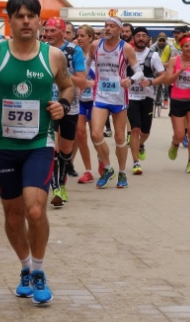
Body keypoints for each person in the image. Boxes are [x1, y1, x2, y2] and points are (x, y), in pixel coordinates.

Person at [0, 0, 74, 305]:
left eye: (31, 16)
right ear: (10, 21)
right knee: (13, 215)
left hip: (40, 142)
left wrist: (63, 105)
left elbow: (67, 86)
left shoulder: (53, 56)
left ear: (39, 20)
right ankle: (25, 267)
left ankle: (39, 271)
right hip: (4, 144)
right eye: (19, 16)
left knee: (35, 209)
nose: (26, 21)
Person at [87, 16, 142, 189]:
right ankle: (107, 167)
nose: (108, 28)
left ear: (119, 30)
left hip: (119, 97)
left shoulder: (126, 48)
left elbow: (139, 72)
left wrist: (131, 80)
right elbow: (86, 64)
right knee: (96, 134)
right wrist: (87, 79)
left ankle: (123, 172)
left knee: (119, 137)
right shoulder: (96, 45)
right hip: (100, 96)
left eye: (112, 26)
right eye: (106, 26)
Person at [43, 17, 85, 207]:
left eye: (53, 31)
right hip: (47, 104)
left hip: (69, 104)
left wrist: (61, 74)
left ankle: (62, 183)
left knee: (66, 150)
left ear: (62, 32)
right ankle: (56, 189)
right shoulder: (41, 49)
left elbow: (81, 79)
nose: (48, 34)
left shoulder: (74, 51)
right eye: (47, 31)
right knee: (53, 146)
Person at [126, 27, 166, 175]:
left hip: (147, 96)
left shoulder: (153, 56)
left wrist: (150, 82)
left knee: (145, 131)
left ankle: (141, 144)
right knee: (135, 129)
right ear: (133, 39)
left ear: (148, 39)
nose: (141, 38)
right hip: (131, 97)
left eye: (144, 36)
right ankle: (136, 162)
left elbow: (163, 75)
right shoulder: (127, 54)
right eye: (138, 36)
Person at [165, 33, 190, 173]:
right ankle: (175, 144)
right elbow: (168, 81)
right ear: (181, 47)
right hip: (177, 100)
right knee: (180, 134)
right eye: (186, 46)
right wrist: (180, 71)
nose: (189, 49)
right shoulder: (174, 61)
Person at [74, 24, 97, 184]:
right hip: (79, 101)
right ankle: (88, 170)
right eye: (78, 35)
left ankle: (103, 161)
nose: (79, 39)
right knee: (80, 134)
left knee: (96, 135)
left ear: (91, 37)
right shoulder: (75, 54)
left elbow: (106, 75)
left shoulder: (97, 55)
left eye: (83, 36)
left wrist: (92, 83)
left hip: (96, 101)